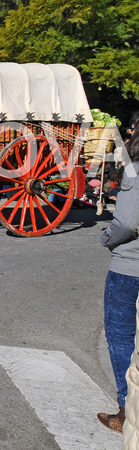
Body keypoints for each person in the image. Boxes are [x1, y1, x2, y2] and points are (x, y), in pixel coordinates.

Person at [98, 116, 139, 433]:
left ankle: (126, 410)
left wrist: (106, 239)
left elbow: (125, 223)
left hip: (130, 267)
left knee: (121, 337)